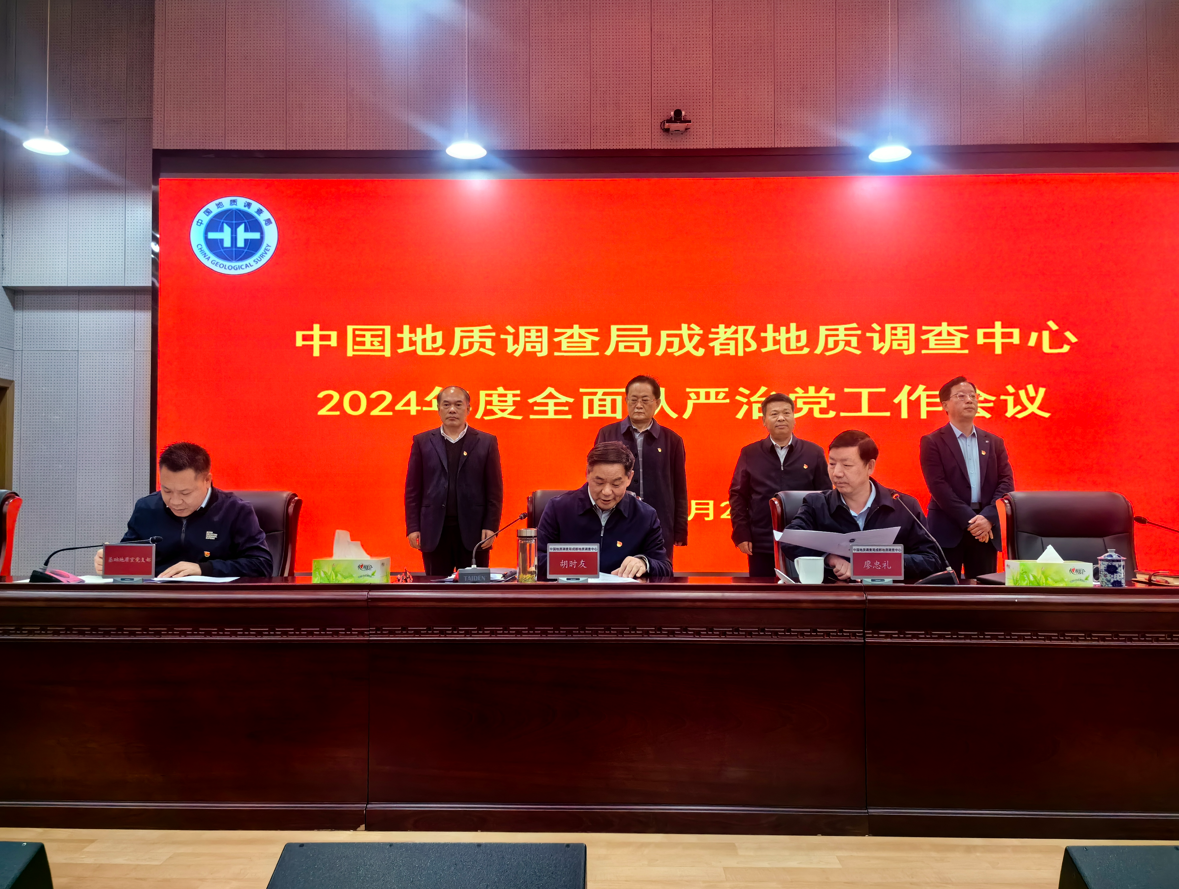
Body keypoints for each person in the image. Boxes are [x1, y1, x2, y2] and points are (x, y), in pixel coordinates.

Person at [782, 430, 943, 583]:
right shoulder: (817, 504)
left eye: (847, 465)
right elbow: (790, 541)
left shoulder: (904, 505)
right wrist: (828, 557)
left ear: (870, 466)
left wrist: (877, 563)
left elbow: (931, 560)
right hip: (835, 596)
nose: (837, 473)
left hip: (887, 596)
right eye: (832, 464)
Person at [93, 441, 273, 578]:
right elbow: (131, 560)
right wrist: (112, 562)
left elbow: (261, 565)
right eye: (166, 490)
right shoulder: (146, 508)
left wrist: (203, 569)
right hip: (156, 604)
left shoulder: (236, 511)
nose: (175, 501)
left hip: (213, 604)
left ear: (207, 481)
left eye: (185, 493)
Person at [920, 376, 1015, 579]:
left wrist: (988, 517)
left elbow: (1006, 482)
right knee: (945, 590)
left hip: (986, 529)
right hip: (948, 526)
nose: (969, 400)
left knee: (985, 590)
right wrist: (973, 522)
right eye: (961, 396)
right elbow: (938, 486)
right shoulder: (932, 441)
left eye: (973, 396)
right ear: (945, 404)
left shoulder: (994, 442)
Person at [728, 393, 831, 578]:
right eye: (774, 414)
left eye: (786, 413)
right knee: (762, 592)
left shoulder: (813, 452)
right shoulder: (750, 453)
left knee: (804, 592)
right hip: (762, 541)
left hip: (804, 541)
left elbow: (825, 496)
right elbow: (738, 495)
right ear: (764, 421)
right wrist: (741, 533)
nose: (781, 418)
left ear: (794, 418)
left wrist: (824, 537)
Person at [405, 385, 504, 576]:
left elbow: (494, 490)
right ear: (438, 409)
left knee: (474, 588)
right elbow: (413, 490)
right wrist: (413, 527)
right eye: (446, 405)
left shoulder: (486, 442)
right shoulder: (422, 442)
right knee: (436, 588)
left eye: (458, 405)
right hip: (434, 531)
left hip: (475, 532)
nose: (452, 410)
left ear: (468, 409)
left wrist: (491, 526)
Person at [536, 441, 672, 580]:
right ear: (587, 473)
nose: (606, 492)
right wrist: (578, 565)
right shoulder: (558, 508)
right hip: (573, 592)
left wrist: (644, 563)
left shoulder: (645, 516)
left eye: (616, 484)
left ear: (629, 478)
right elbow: (535, 561)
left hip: (622, 594)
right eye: (599, 482)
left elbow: (665, 567)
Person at [595, 375, 687, 566]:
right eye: (633, 399)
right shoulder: (607, 433)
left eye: (645, 400)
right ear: (626, 400)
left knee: (657, 572)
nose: (638, 405)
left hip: (659, 522)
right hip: (614, 520)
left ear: (657, 403)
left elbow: (679, 487)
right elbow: (596, 479)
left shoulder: (672, 440)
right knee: (614, 572)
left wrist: (680, 529)